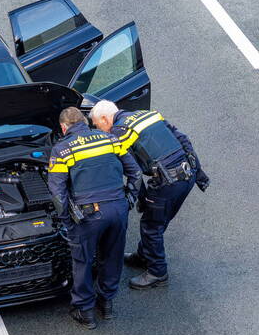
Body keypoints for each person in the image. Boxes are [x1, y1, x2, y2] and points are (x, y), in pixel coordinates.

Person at [89, 100, 209, 290]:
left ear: (104, 119)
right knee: (157, 219)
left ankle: (157, 273)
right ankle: (144, 255)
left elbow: (134, 172)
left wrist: (141, 198)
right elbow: (183, 139)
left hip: (167, 183)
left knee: (151, 226)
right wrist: (199, 173)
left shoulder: (119, 132)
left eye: (97, 125)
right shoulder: (147, 114)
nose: (99, 130)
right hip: (186, 176)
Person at [48, 106, 141, 329]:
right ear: (85, 121)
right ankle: (106, 303)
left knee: (83, 261)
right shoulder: (110, 139)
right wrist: (129, 199)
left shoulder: (62, 150)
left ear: (63, 127)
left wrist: (67, 221)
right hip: (117, 209)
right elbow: (135, 172)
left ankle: (85, 311)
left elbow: (57, 193)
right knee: (113, 256)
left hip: (87, 216)